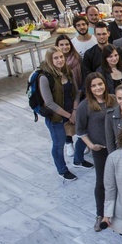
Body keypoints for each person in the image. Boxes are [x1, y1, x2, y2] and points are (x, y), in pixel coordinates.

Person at [76, 72, 115, 232]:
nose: (98, 88)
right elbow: (80, 130)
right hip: (101, 150)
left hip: (118, 149)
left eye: (100, 84)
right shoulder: (84, 106)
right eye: (94, 85)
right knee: (102, 182)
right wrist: (91, 146)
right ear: (89, 88)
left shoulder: (114, 100)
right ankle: (101, 214)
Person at [38, 47, 81, 181]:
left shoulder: (67, 71)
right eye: (55, 58)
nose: (59, 60)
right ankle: (62, 170)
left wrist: (74, 111)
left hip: (72, 112)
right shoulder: (44, 77)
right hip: (56, 118)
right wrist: (68, 116)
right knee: (58, 144)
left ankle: (79, 159)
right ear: (49, 60)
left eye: (61, 57)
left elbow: (76, 93)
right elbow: (49, 103)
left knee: (82, 134)